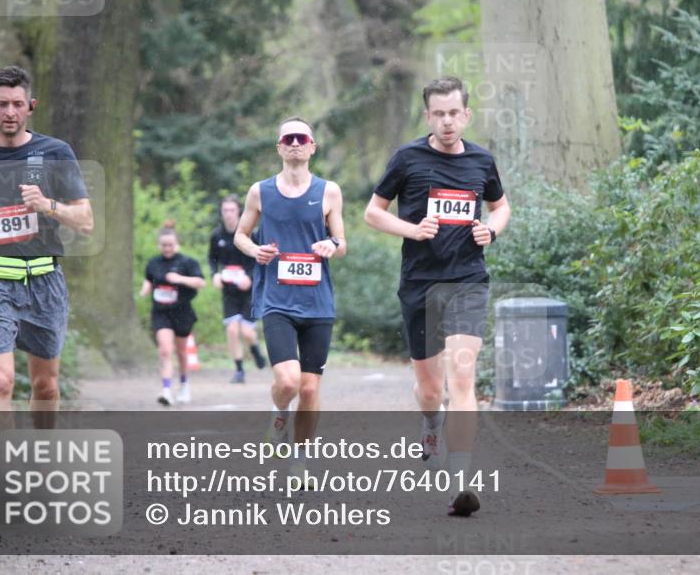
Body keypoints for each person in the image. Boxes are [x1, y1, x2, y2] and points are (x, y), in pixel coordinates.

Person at [364, 76, 510, 517]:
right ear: (428, 116)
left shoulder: (482, 161)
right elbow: (372, 213)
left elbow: (500, 206)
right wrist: (413, 230)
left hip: (467, 278)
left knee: (462, 378)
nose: (447, 122)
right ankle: (431, 424)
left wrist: (492, 230)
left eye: (454, 113)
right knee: (431, 391)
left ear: (467, 114)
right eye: (439, 114)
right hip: (419, 284)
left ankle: (462, 479)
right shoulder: (407, 158)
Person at [0, 65, 93, 415]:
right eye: (2, 104)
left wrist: (48, 205)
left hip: (44, 280)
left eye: (17, 104)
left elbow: (86, 221)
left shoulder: (56, 152)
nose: (10, 112)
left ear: (31, 106)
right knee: (0, 381)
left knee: (45, 386)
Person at [235, 117, 346, 476]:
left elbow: (341, 243)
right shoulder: (260, 191)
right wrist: (254, 251)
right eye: (289, 138)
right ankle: (279, 414)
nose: (296, 143)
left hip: (318, 303)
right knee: (288, 382)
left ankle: (300, 461)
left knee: (310, 391)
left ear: (313, 146)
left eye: (302, 138)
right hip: (277, 300)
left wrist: (331, 245)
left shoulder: (329, 191)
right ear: (279, 147)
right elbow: (241, 235)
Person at [140, 222, 205, 406]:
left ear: (177, 244)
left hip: (182, 312)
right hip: (161, 313)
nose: (167, 248)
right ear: (159, 245)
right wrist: (144, 289)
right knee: (165, 350)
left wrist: (180, 279)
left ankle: (184, 386)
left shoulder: (187, 263)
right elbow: (149, 280)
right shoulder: (154, 263)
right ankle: (166, 390)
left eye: (170, 245)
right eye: (163, 245)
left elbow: (201, 282)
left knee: (182, 353)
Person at [209, 194, 267, 383]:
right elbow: (212, 259)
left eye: (232, 210)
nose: (228, 214)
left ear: (239, 212)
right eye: (225, 210)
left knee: (247, 332)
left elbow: (261, 259)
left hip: (249, 291)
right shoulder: (216, 236)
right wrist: (214, 275)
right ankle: (239, 370)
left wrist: (249, 278)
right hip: (229, 291)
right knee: (233, 330)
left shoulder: (252, 234)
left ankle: (256, 350)